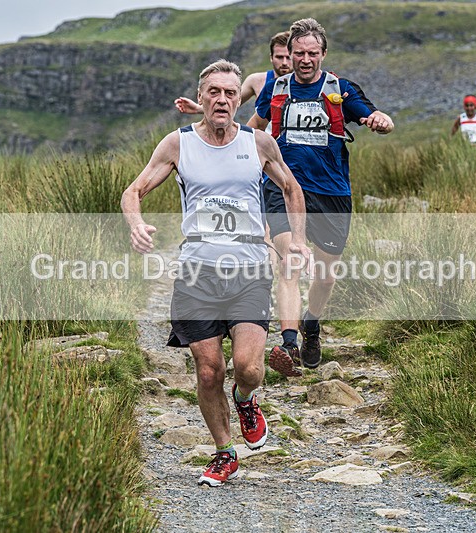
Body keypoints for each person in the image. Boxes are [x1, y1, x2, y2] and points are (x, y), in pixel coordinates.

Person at [122, 59, 310, 487]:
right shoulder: (177, 143)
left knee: (247, 366)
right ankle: (225, 452)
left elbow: (291, 187)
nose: (222, 99)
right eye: (214, 92)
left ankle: (246, 398)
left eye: (230, 92)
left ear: (237, 98)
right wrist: (136, 224)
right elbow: (132, 191)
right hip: (196, 273)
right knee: (208, 372)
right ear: (201, 97)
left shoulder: (258, 143)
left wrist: (297, 240)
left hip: (247, 268)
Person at [247, 18, 394, 375]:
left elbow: (369, 112)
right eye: (299, 53)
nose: (305, 59)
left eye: (313, 53)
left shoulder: (340, 89)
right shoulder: (277, 88)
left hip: (331, 192)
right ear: (290, 54)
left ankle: (312, 324)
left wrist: (379, 119)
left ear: (323, 54)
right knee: (290, 262)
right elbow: (254, 128)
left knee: (325, 276)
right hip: (283, 187)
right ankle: (288, 343)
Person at [174, 31, 292, 116]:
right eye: (279, 57)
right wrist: (197, 108)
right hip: (264, 144)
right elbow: (230, 102)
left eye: (288, 57)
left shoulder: (307, 84)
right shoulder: (256, 81)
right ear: (271, 57)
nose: (284, 62)